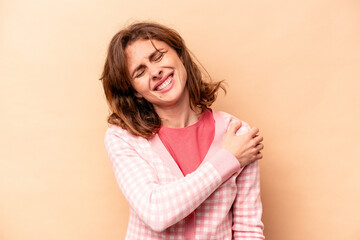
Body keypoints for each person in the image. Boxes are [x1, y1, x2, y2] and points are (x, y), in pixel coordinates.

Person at [100, 22, 265, 239]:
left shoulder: (237, 135)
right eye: (140, 72)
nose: (155, 71)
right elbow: (156, 212)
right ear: (135, 91)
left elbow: (248, 230)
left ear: (179, 55)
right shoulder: (123, 138)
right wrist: (228, 159)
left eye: (158, 57)